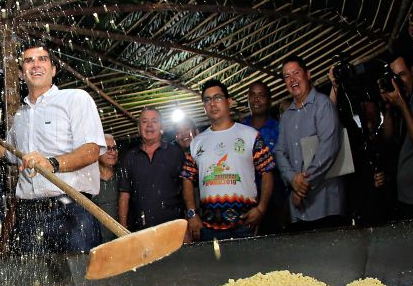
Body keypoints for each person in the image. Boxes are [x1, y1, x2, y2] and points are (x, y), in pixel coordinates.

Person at [0, 45, 106, 254]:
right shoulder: (20, 116)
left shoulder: (76, 99)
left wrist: (52, 163)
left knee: (82, 279)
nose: (36, 64)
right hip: (30, 214)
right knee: (36, 283)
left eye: (42, 59)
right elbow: (6, 153)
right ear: (21, 73)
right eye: (28, 61)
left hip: (72, 208)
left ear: (53, 69)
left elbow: (91, 150)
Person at [181, 80, 276, 242]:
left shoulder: (250, 135)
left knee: (250, 268)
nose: (212, 103)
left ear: (229, 101)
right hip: (209, 229)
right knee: (214, 268)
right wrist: (192, 214)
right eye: (207, 100)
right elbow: (186, 178)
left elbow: (267, 171)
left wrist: (261, 209)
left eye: (217, 97)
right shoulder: (197, 142)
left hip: (245, 226)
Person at [274, 56, 346, 230]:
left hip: (326, 204)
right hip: (298, 210)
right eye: (287, 76)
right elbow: (279, 152)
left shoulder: (323, 105)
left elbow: (328, 150)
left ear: (308, 74)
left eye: (296, 73)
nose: (292, 79)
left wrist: (302, 187)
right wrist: (292, 178)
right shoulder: (286, 117)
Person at [118, 108, 185, 232]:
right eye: (144, 121)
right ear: (139, 128)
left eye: (154, 121)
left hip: (174, 229)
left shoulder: (175, 152)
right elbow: (124, 195)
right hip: (141, 232)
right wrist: (122, 229)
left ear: (162, 127)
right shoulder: (130, 157)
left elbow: (187, 188)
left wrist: (189, 222)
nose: (149, 125)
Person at [241, 81, 288, 234]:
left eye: (261, 95)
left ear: (269, 100)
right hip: (247, 201)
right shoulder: (240, 129)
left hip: (276, 199)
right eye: (252, 95)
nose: (256, 99)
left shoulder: (279, 128)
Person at [380, 49, 413, 219]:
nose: (399, 82)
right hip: (406, 198)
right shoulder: (403, 101)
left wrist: (402, 104)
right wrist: (388, 106)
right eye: (395, 77)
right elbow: (388, 137)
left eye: (402, 75)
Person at [92, 133, 119, 243]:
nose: (112, 152)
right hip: (97, 244)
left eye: (114, 148)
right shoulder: (89, 184)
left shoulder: (123, 179)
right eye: (107, 148)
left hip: (121, 242)